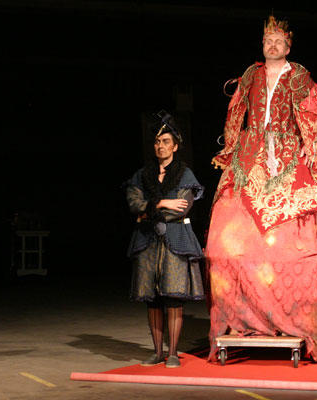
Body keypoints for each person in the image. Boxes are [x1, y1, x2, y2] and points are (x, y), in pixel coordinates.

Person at [206, 16, 317, 364]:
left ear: (288, 45)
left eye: (278, 40)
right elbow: (236, 112)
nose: (272, 45)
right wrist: (231, 149)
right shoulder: (251, 75)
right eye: (268, 39)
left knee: (307, 240)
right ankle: (246, 319)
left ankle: (305, 322)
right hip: (251, 154)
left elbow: (316, 116)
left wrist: (314, 148)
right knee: (227, 241)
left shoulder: (301, 77)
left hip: (290, 150)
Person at [125, 111, 205, 368]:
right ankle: (158, 351)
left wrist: (149, 211)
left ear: (175, 146)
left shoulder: (184, 174)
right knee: (152, 299)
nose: (161, 146)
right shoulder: (142, 175)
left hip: (175, 241)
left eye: (166, 141)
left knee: (173, 298)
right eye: (158, 142)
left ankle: (172, 353)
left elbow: (181, 208)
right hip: (148, 243)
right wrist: (161, 203)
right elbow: (134, 203)